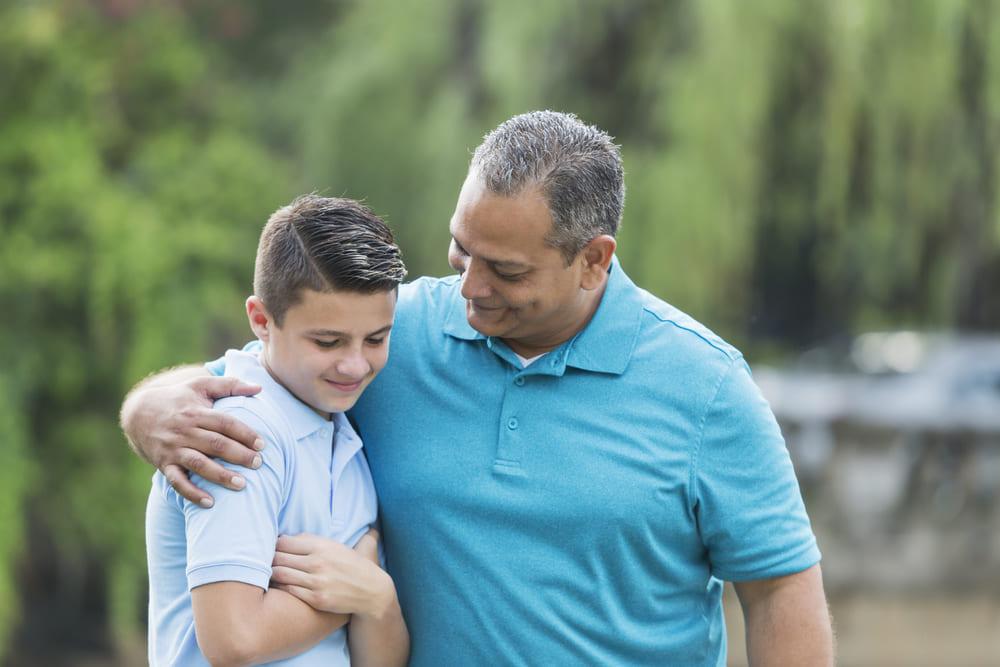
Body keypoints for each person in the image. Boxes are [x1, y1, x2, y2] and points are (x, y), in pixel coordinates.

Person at [124, 111, 833, 665]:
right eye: (461, 249)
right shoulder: (392, 336)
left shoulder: (707, 387)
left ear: (593, 260)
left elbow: (779, 589)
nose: (468, 286)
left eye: (505, 270)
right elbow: (268, 366)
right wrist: (152, 409)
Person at [143, 195, 409, 666]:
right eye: (328, 342)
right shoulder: (238, 430)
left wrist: (378, 598)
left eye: (376, 339)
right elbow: (234, 640)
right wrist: (356, 591)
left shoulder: (342, 429)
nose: (355, 364)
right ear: (262, 321)